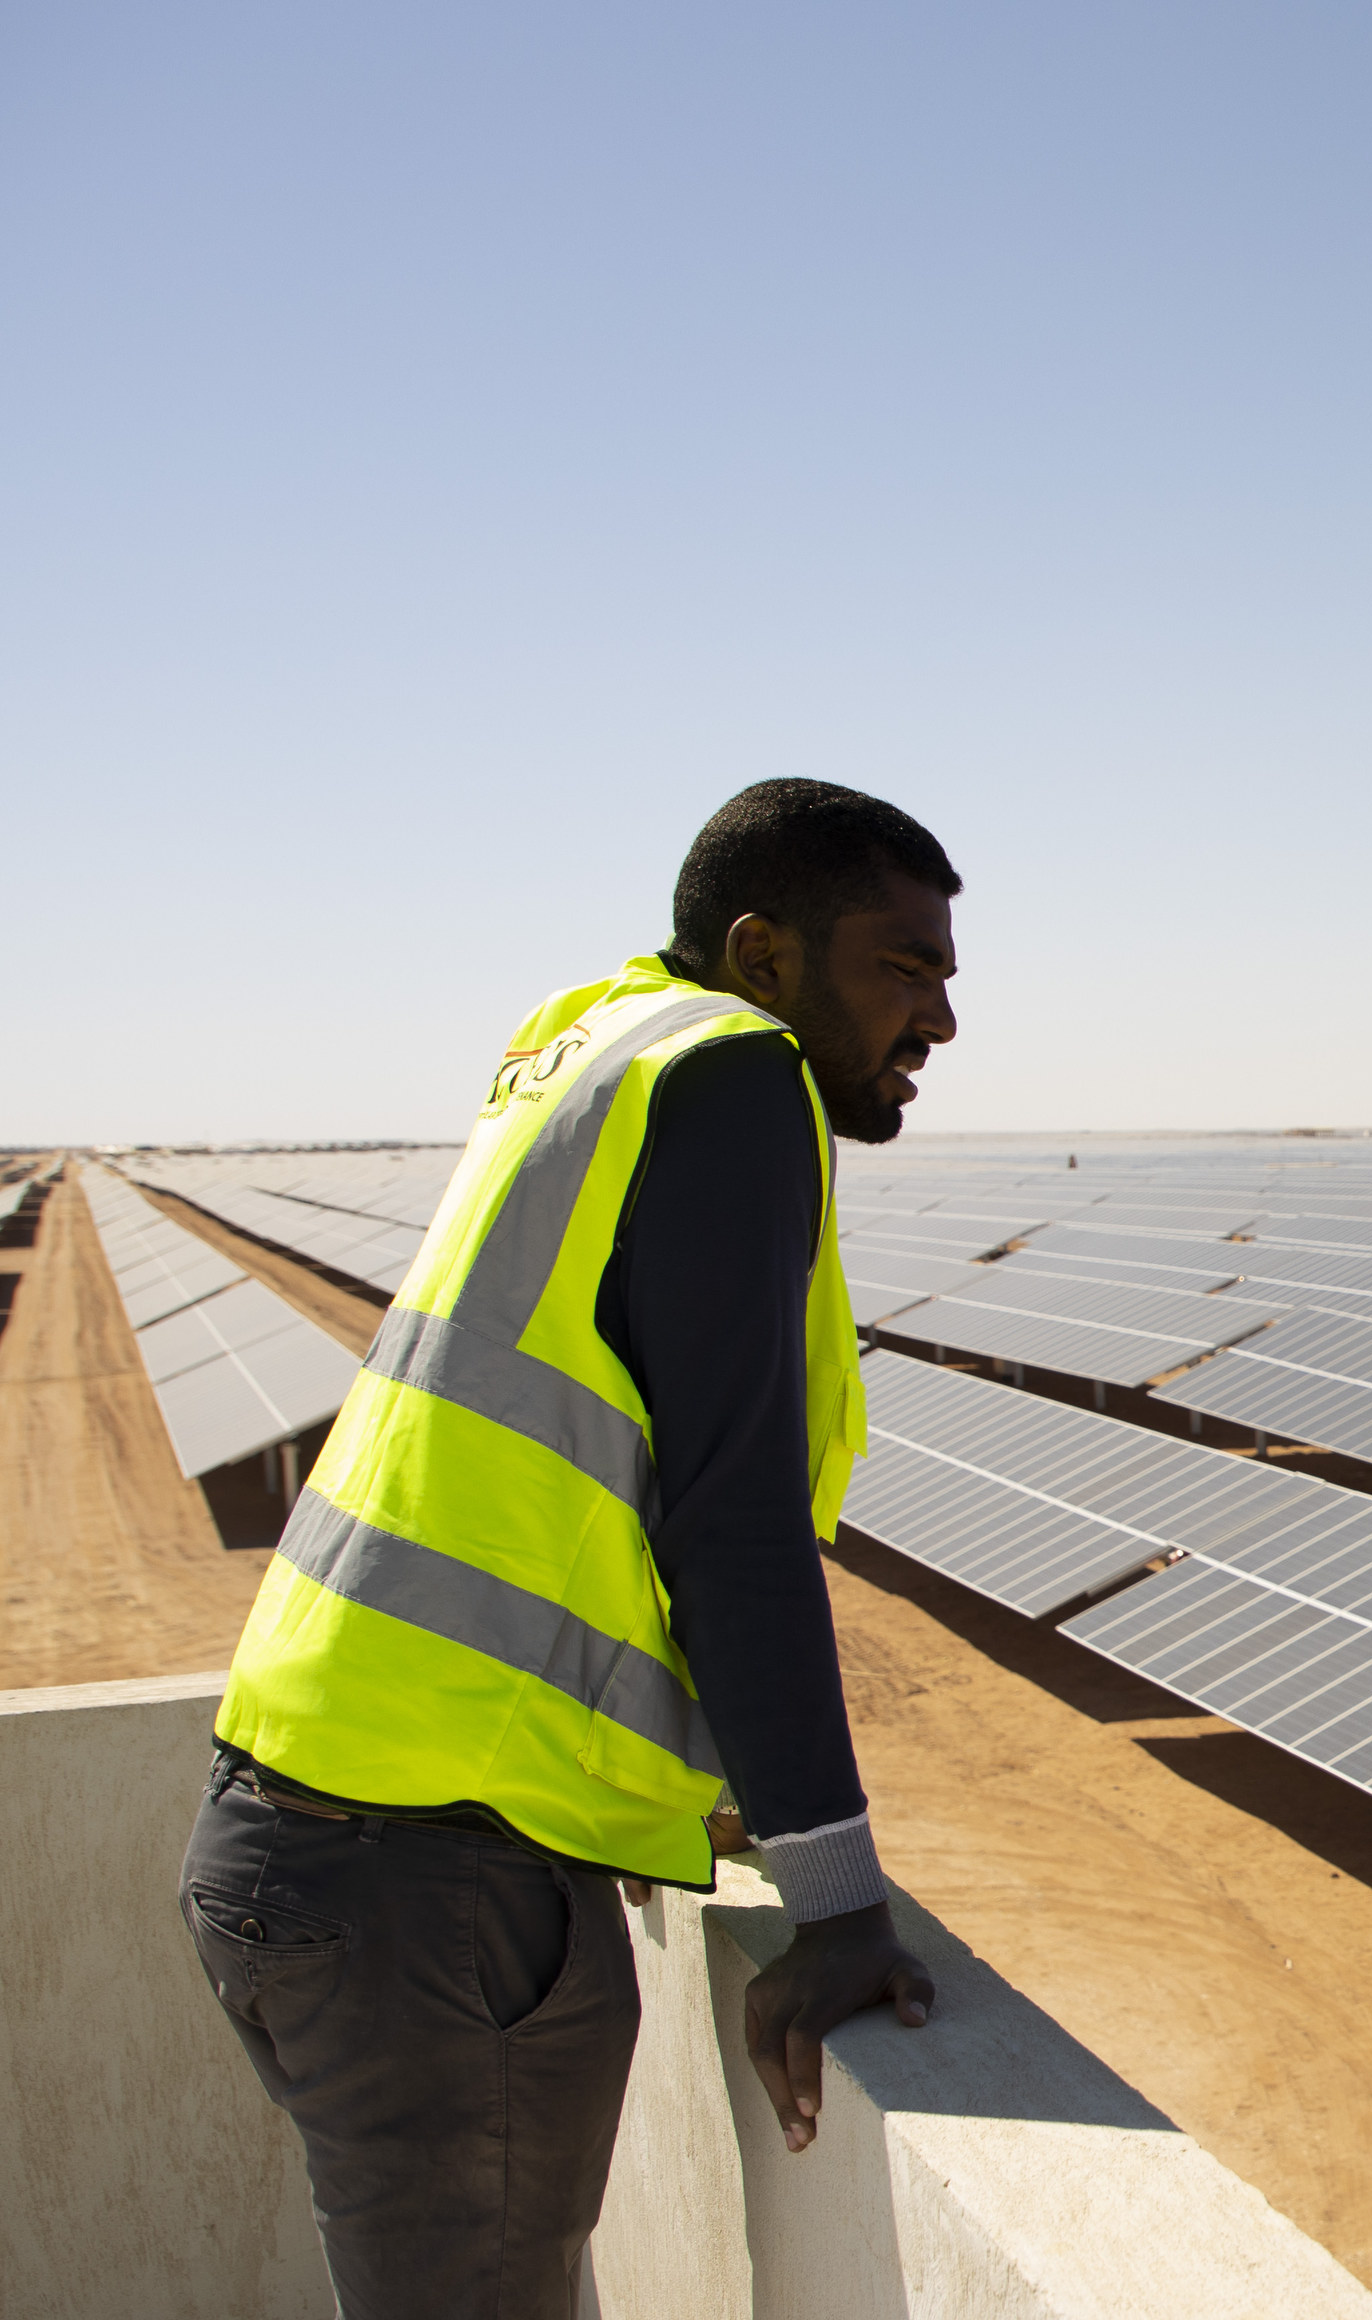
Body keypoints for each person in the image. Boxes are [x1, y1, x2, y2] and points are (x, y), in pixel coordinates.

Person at [182, 779, 962, 2318]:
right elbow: (727, 1517)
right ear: (765, 956)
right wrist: (837, 1892)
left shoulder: (595, 1036)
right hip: (426, 1889)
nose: (937, 1019)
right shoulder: (733, 1074)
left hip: (314, 1838)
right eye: (902, 966)